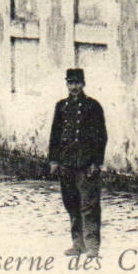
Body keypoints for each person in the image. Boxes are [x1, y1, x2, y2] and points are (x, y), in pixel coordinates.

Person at [47, 67, 107, 257]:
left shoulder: (93, 106)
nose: (74, 87)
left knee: (89, 206)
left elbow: (101, 136)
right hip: (66, 163)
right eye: (70, 83)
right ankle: (77, 244)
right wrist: (54, 160)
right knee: (71, 204)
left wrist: (96, 162)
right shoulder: (61, 106)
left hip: (86, 164)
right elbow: (54, 135)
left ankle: (92, 246)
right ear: (67, 84)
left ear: (83, 84)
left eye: (77, 83)